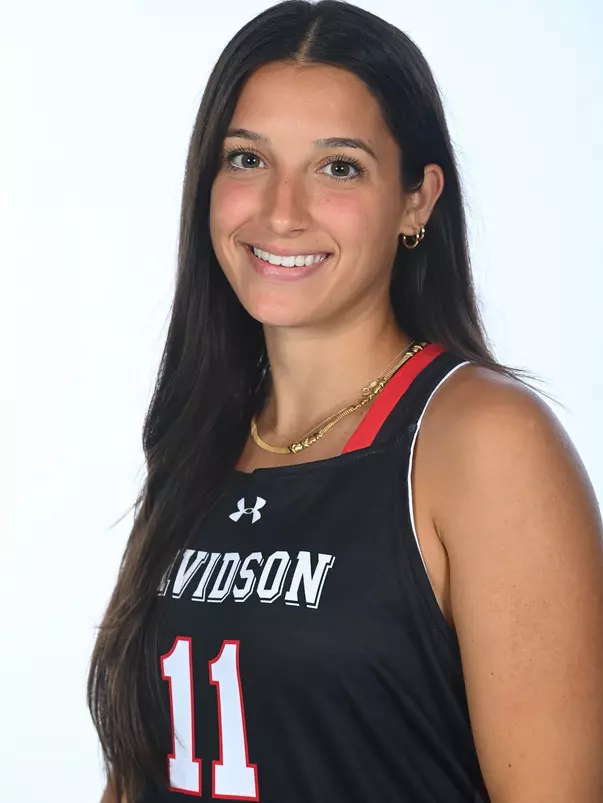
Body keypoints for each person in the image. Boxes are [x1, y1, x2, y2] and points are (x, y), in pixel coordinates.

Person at [88, 1, 603, 801]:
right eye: (247, 158)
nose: (280, 211)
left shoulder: (482, 441)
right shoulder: (197, 444)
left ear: (417, 201)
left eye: (338, 167)